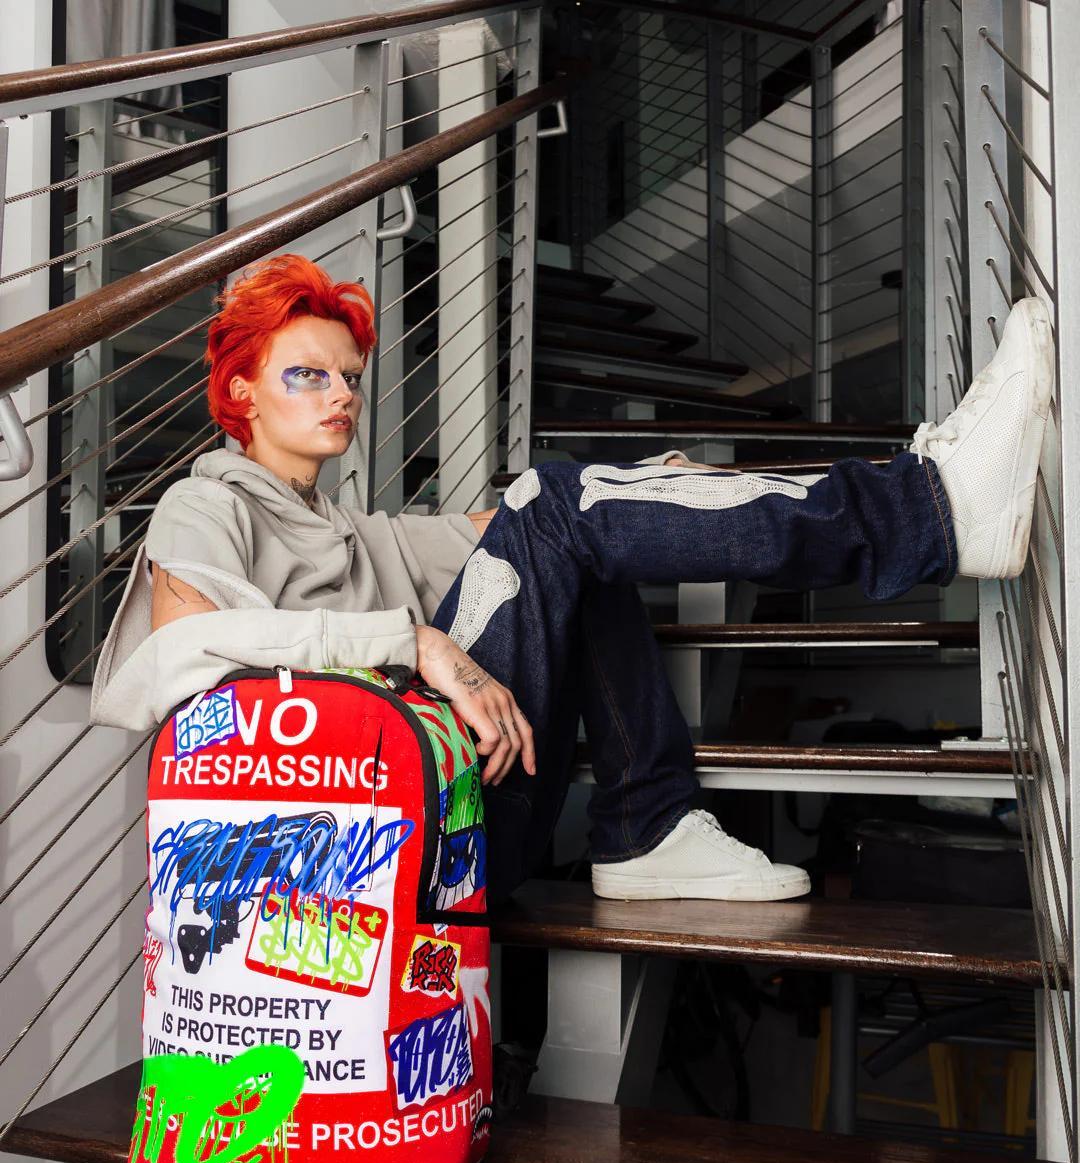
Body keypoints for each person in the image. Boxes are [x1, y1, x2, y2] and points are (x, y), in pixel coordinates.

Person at [92, 254, 1054, 905]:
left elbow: (519, 528)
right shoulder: (203, 505)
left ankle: (647, 826)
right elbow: (173, 662)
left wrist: (652, 491)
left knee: (564, 512)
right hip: (362, 864)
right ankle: (933, 510)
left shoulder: (359, 532)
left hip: (449, 821)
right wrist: (410, 640)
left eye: (348, 377)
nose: (341, 394)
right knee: (556, 505)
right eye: (308, 375)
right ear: (242, 391)